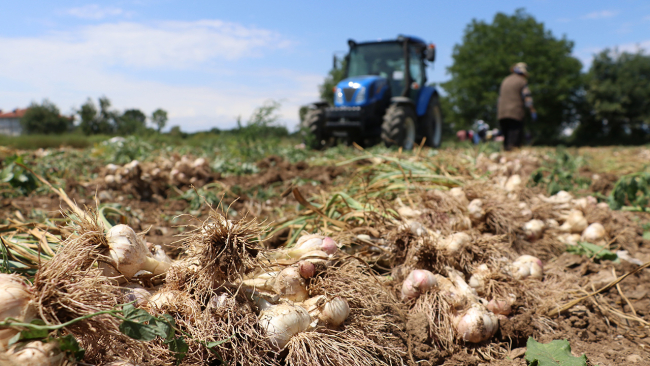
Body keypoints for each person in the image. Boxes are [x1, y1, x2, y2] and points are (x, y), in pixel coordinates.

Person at [497, 62, 537, 151]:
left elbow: (499, 98)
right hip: (515, 112)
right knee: (515, 137)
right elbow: (527, 97)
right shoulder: (522, 81)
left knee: (506, 137)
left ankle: (506, 153)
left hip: (502, 112)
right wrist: (532, 110)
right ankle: (512, 154)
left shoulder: (505, 80)